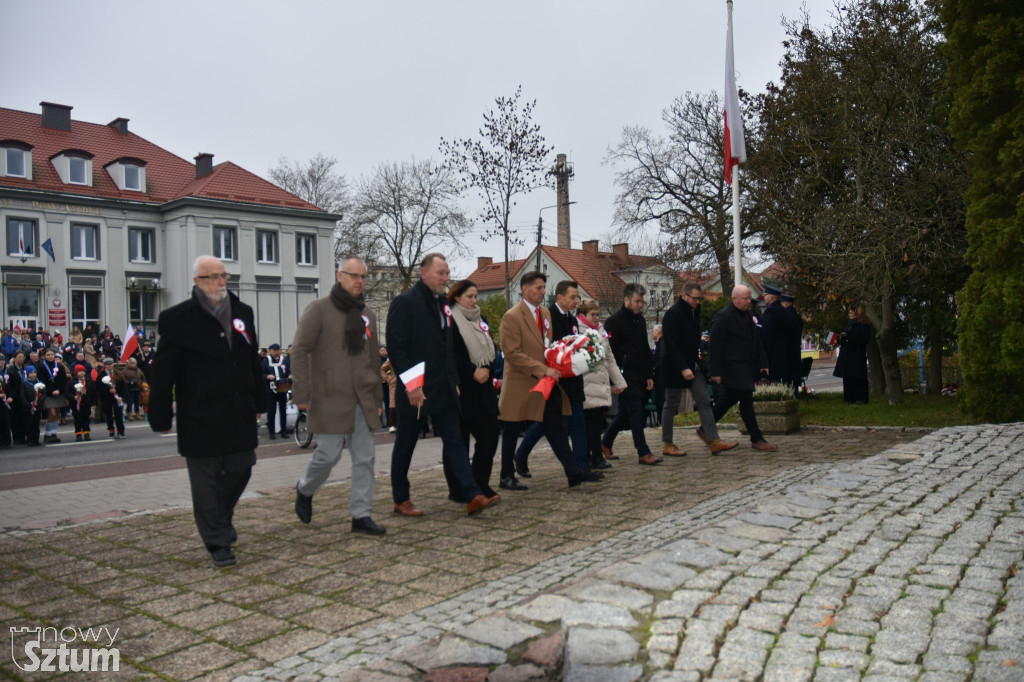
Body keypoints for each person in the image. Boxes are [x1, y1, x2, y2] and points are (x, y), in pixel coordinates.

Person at [149, 255, 267, 568]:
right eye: (213, 277)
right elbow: (163, 371)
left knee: (243, 466)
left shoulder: (243, 312)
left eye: (223, 275)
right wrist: (160, 414)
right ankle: (217, 541)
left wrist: (261, 400)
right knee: (206, 482)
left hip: (238, 412)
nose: (220, 282)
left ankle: (220, 519)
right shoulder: (176, 319)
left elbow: (251, 360)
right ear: (197, 282)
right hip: (200, 415)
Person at [386, 253, 497, 516]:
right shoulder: (405, 303)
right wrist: (412, 385)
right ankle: (401, 499)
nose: (446, 278)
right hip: (416, 391)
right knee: (406, 444)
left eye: (447, 273)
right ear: (424, 273)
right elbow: (397, 347)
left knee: (455, 441)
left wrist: (453, 381)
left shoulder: (442, 305)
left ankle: (472, 494)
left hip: (443, 389)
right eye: (440, 273)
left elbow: (446, 348)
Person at [291, 256, 386, 535]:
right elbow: (299, 351)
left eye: (363, 276)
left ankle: (361, 515)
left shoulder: (368, 314)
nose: (360, 281)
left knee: (365, 458)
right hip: (329, 397)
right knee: (328, 455)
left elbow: (373, 359)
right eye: (353, 275)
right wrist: (302, 393)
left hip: (362, 397)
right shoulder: (319, 309)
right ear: (339, 275)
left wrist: (377, 399)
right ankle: (305, 488)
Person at [497, 271, 601, 488]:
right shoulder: (511, 317)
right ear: (525, 290)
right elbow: (513, 353)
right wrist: (543, 369)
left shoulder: (544, 313)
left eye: (544, 288)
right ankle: (506, 475)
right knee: (512, 429)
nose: (543, 292)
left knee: (554, 427)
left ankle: (573, 472)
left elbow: (548, 345)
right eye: (538, 288)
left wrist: (561, 359)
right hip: (520, 382)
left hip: (544, 382)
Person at [661, 283, 739, 456]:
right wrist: (683, 368)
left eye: (699, 298)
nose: (698, 301)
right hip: (675, 367)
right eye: (695, 298)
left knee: (704, 400)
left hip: (692, 364)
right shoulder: (672, 314)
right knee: (671, 404)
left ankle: (714, 440)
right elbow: (671, 345)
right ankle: (667, 443)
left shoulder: (695, 312)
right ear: (684, 296)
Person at [447, 279, 501, 500]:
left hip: (484, 387)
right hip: (461, 388)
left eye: (475, 296)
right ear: (457, 297)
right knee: (459, 441)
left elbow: (491, 349)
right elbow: (449, 354)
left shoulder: (481, 319)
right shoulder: (449, 320)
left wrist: (487, 369)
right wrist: (472, 371)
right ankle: (458, 489)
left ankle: (480, 483)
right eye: (469, 296)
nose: (474, 300)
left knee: (490, 435)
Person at [708, 285, 779, 452]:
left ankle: (705, 427)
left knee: (727, 401)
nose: (749, 301)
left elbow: (756, 342)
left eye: (749, 298)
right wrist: (715, 372)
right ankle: (757, 438)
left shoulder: (749, 316)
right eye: (745, 298)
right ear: (734, 299)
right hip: (731, 367)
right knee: (746, 400)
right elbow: (715, 346)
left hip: (745, 366)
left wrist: (763, 363)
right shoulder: (723, 316)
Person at [601, 283, 660, 465]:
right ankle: (643, 451)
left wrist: (649, 374)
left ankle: (605, 442)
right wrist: (613, 381)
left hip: (639, 375)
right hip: (623, 375)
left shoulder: (640, 321)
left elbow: (645, 349)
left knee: (626, 413)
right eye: (637, 301)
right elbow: (608, 354)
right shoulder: (614, 322)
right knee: (636, 413)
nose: (640, 305)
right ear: (626, 300)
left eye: (642, 302)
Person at [577, 299, 627, 470]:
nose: (596, 318)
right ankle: (591, 457)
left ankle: (595, 456)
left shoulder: (600, 330)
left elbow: (610, 358)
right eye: (592, 314)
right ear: (582, 314)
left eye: (597, 314)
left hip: (601, 382)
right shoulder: (578, 331)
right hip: (587, 382)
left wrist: (619, 381)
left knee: (597, 423)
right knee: (589, 423)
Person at [833, 306, 871, 404]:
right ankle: (849, 399)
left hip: (856, 355)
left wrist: (849, 340)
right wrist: (840, 339)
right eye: (849, 313)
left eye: (851, 313)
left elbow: (863, 340)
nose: (849, 315)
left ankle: (861, 398)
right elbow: (844, 336)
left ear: (857, 314)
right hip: (846, 355)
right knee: (847, 378)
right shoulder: (848, 324)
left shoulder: (864, 325)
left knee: (858, 378)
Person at [37, 349, 69, 443]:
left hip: (58, 392)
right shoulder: (41, 366)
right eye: (48, 355)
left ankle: (54, 434)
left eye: (52, 354)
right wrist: (51, 391)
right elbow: (42, 380)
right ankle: (48, 434)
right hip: (48, 394)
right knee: (52, 413)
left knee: (57, 414)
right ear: (44, 356)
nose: (50, 356)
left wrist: (59, 390)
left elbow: (63, 379)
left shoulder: (59, 366)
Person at [262, 343, 291, 439]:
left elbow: (288, 370)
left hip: (282, 388)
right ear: (270, 351)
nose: (276, 351)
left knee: (283, 410)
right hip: (271, 390)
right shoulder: (266, 361)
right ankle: (272, 432)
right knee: (272, 411)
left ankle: (283, 431)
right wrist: (267, 376)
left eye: (278, 349)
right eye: (274, 350)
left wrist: (289, 375)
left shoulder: (284, 360)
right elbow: (261, 374)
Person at [96, 357, 126, 438]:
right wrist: (108, 390)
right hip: (107, 398)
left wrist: (122, 397)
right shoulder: (101, 375)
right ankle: (111, 430)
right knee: (109, 415)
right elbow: (99, 388)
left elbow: (123, 387)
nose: (109, 365)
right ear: (105, 365)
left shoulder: (118, 373)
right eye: (107, 364)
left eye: (110, 364)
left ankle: (120, 431)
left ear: (113, 364)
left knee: (118, 415)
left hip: (117, 398)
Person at [781, 293, 804, 396]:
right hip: (795, 351)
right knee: (794, 380)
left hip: (787, 352)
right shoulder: (797, 317)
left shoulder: (786, 317)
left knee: (788, 380)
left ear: (786, 304)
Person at [68, 364, 96, 441]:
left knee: (86, 418)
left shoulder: (88, 381)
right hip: (76, 404)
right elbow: (67, 393)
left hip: (87, 403)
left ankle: (86, 433)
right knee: (77, 419)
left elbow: (93, 392)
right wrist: (73, 397)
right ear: (76, 372)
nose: (82, 373)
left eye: (83, 371)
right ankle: (78, 434)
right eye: (80, 371)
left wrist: (94, 403)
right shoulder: (71, 382)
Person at [380, 350, 397, 433]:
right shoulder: (390, 359)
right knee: (393, 403)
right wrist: (387, 378)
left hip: (405, 382)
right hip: (394, 383)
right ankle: (392, 424)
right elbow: (382, 369)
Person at [122, 356, 144, 421]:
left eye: (133, 363)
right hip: (129, 389)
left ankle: (137, 413)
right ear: (128, 363)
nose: (132, 364)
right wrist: (129, 383)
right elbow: (122, 380)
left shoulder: (139, 370)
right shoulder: (125, 371)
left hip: (138, 388)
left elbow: (143, 378)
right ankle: (129, 414)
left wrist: (142, 384)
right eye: (131, 363)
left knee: (137, 402)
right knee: (130, 402)